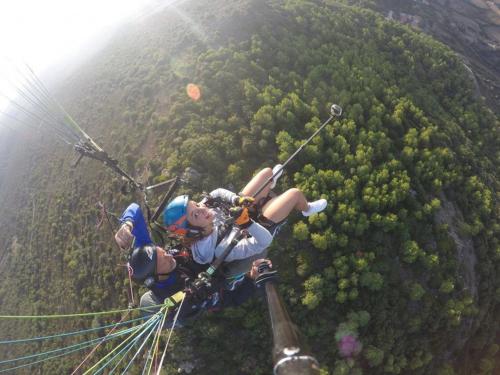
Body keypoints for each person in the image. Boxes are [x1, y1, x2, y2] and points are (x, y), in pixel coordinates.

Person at [115, 203, 269, 327]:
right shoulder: (181, 297)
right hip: (223, 272)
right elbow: (228, 299)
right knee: (265, 235)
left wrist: (127, 224)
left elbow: (134, 208)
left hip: (208, 250)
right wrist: (251, 279)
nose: (168, 254)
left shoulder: (148, 255)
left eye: (161, 251)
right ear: (157, 276)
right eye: (164, 260)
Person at [163, 165, 327, 281]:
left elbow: (216, 193)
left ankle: (269, 185)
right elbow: (264, 241)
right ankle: (306, 209)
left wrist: (237, 199)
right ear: (190, 230)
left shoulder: (204, 213)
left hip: (239, 216)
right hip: (256, 229)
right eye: (195, 214)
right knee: (295, 194)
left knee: (267, 173)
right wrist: (247, 223)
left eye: (197, 204)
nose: (202, 208)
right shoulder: (219, 249)